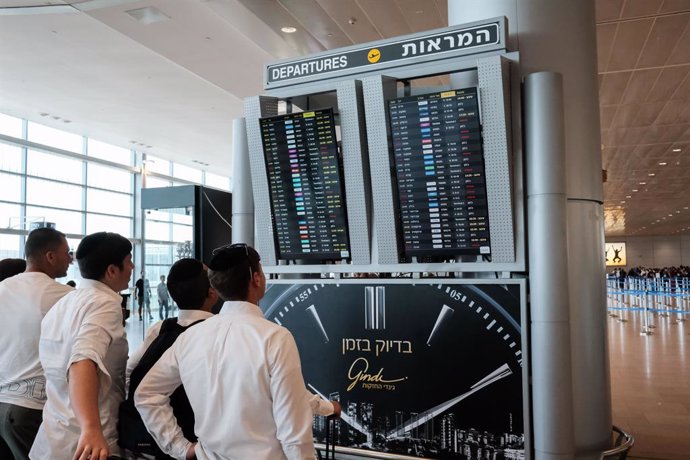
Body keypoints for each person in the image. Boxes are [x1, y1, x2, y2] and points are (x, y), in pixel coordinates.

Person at [135, 244, 339, 460]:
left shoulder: (189, 338)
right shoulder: (274, 338)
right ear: (256, 279)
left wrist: (180, 448)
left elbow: (147, 394)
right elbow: (293, 430)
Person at [30, 232, 133, 460]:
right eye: (128, 261)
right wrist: (91, 428)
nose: (132, 266)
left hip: (53, 437)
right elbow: (81, 361)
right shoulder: (104, 305)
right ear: (112, 270)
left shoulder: (63, 304)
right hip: (88, 445)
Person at [121, 259, 218, 458]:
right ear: (212, 292)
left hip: (161, 441)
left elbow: (128, 374)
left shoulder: (161, 329)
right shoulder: (218, 332)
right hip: (202, 442)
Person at [0, 228, 73, 460]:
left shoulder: (3, 288)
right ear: (50, 256)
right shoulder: (63, 295)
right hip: (31, 407)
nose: (70, 258)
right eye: (67, 253)